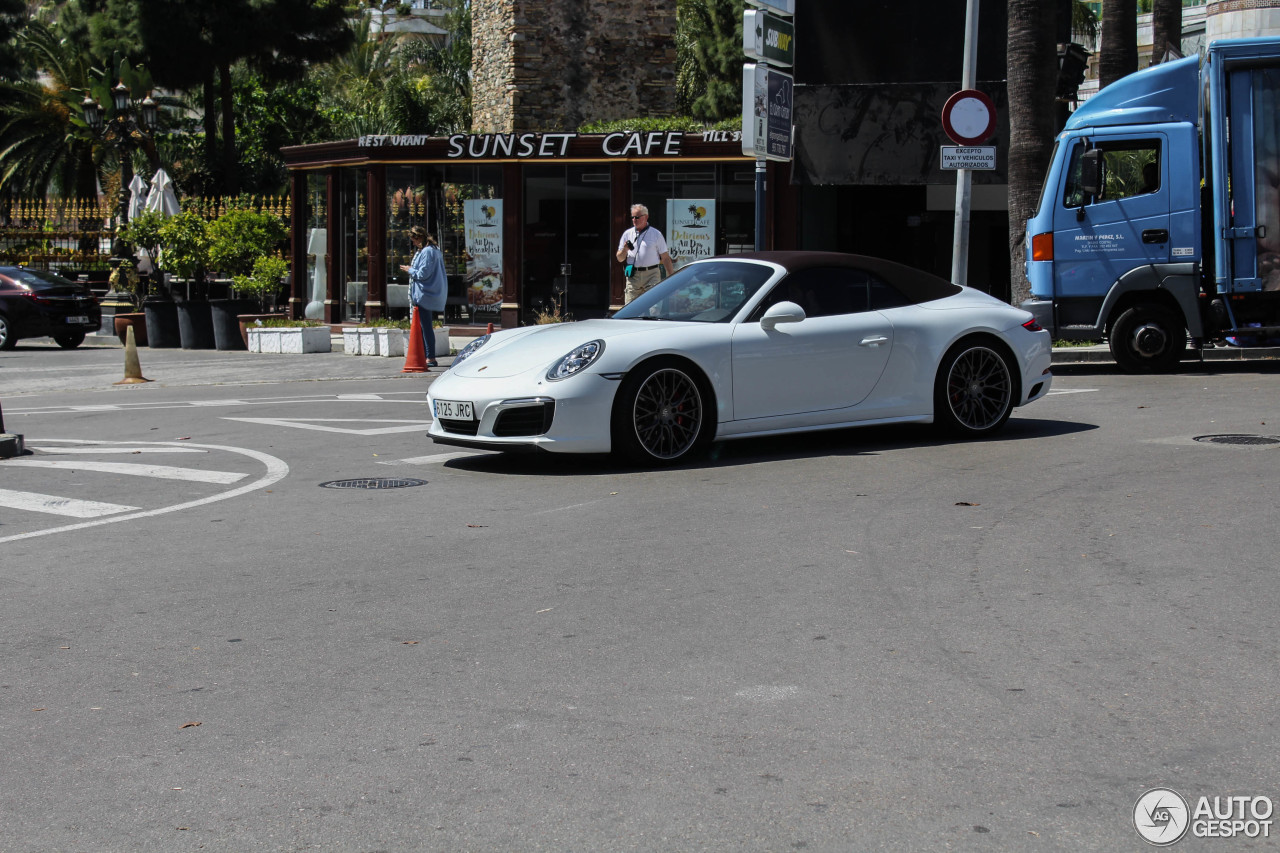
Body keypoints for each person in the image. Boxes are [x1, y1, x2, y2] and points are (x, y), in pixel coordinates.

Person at [400, 225, 447, 367]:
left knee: (425, 326)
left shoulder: (427, 252)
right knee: (424, 326)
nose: (413, 243)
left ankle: (430, 357)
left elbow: (423, 274)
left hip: (424, 294)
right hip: (427, 293)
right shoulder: (434, 250)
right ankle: (427, 355)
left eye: (414, 240)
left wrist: (410, 270)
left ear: (419, 238)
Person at [616, 204, 675, 304]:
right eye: (633, 217)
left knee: (654, 308)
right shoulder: (627, 234)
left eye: (637, 217)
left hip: (652, 274)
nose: (634, 219)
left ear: (646, 217)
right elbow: (620, 258)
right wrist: (625, 250)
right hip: (633, 276)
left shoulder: (656, 234)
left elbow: (665, 258)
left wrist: (672, 278)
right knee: (630, 308)